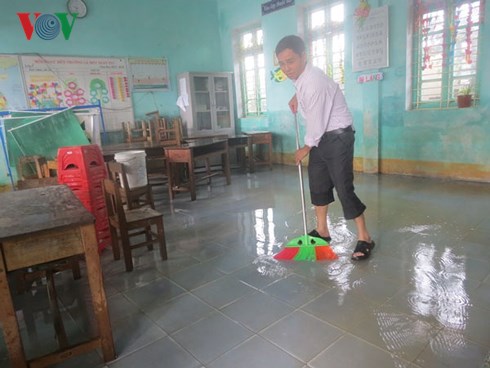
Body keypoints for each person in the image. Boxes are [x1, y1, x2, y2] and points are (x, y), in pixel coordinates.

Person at [275, 35, 374, 260]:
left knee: (343, 187)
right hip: (321, 138)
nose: (286, 68)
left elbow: (317, 120)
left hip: (337, 137)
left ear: (304, 56)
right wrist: (296, 96)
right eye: (282, 63)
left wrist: (306, 147)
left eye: (290, 61)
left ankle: (365, 237)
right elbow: (307, 93)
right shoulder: (303, 79)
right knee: (318, 184)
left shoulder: (314, 82)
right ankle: (322, 231)